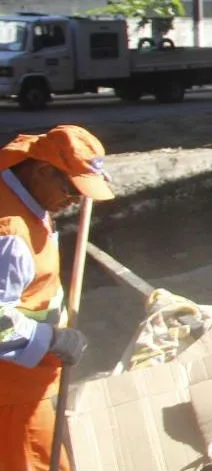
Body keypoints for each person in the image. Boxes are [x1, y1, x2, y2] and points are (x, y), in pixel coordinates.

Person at [0, 125, 115, 471]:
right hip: (11, 393)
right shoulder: (9, 235)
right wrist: (51, 339)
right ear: (43, 170)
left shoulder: (20, 189)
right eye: (71, 190)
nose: (74, 201)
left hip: (24, 382)